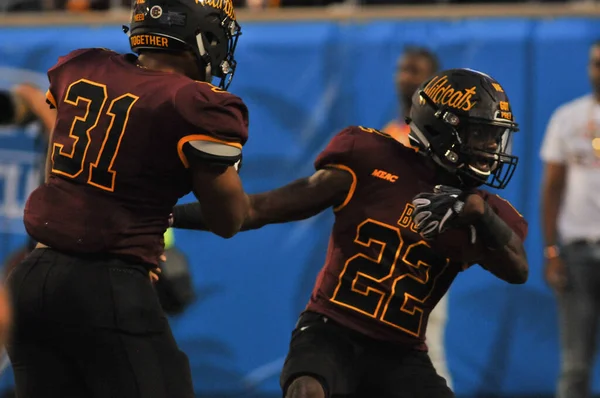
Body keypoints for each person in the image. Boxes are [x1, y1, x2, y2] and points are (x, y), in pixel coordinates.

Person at [170, 68, 529, 397]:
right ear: (443, 127)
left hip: (402, 352)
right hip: (331, 330)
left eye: (495, 136)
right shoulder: (371, 160)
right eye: (480, 133)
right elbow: (257, 209)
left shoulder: (479, 208)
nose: (491, 148)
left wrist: (480, 216)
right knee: (307, 390)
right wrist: (168, 216)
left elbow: (518, 269)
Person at [6, 0, 250, 397]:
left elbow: (60, 175)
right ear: (201, 35)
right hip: (107, 287)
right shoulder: (197, 104)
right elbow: (228, 220)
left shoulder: (82, 66)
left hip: (32, 277)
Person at [541, 40, 600, 398]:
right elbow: (551, 189)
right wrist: (551, 251)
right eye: (596, 63)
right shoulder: (567, 117)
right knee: (575, 364)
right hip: (576, 253)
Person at [383, 46, 439, 146]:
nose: (405, 78)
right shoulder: (389, 132)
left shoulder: (439, 136)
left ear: (433, 81)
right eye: (401, 70)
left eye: (414, 71)